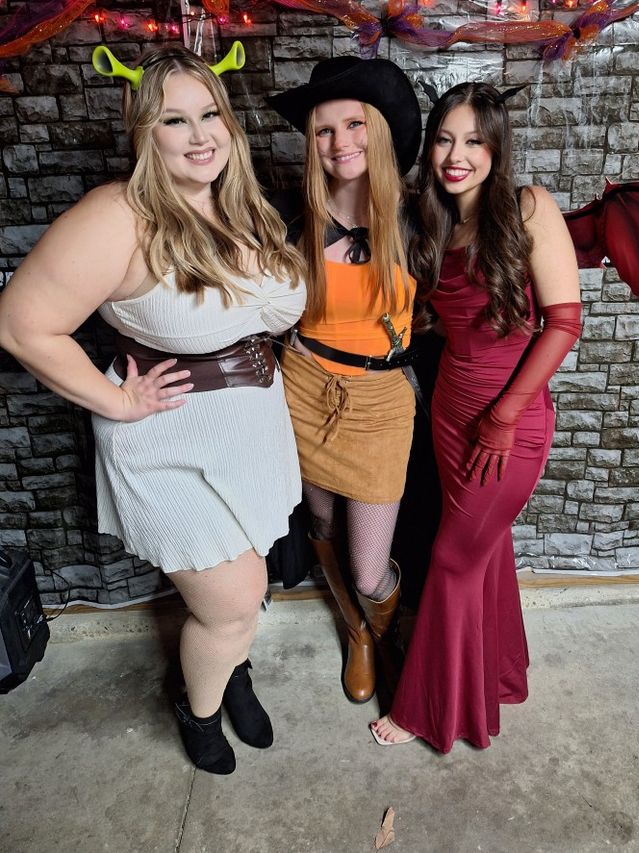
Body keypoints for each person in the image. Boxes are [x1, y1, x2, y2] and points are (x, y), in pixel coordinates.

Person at [0, 43, 306, 775]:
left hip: (252, 424)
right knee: (233, 599)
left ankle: (230, 670)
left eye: (210, 115)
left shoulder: (241, 202)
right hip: (170, 435)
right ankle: (195, 709)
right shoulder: (120, 214)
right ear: (144, 130)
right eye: (175, 120)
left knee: (246, 576)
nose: (200, 136)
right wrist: (116, 398)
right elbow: (20, 322)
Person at [369, 82, 582, 751]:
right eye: (444, 138)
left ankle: (426, 709)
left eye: (473, 140)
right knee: (485, 551)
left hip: (508, 418)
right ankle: (499, 675)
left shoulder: (527, 207)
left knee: (453, 556)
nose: (456, 154)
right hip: (450, 408)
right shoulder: (433, 219)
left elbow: (565, 322)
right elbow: (448, 313)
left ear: (496, 146)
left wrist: (506, 413)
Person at [268, 57, 422, 703]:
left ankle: (388, 633)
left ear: (380, 129)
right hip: (303, 387)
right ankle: (358, 634)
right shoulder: (290, 218)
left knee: (367, 564)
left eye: (354, 124)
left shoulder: (421, 218)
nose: (340, 143)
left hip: (381, 402)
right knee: (323, 525)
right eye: (323, 131)